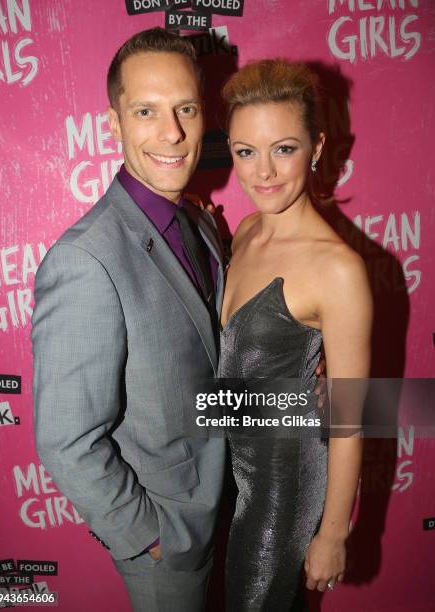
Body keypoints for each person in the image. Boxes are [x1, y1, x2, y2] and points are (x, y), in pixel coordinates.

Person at [31, 28, 226, 612]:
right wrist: (150, 538)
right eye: (146, 111)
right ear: (113, 125)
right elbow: (66, 439)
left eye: (186, 108)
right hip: (170, 540)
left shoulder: (203, 224)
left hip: (230, 507)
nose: (172, 133)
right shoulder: (86, 258)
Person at [219, 59, 372, 610]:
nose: (263, 172)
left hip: (280, 491)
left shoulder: (337, 269)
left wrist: (333, 534)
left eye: (283, 148)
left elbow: (351, 415)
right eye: (245, 151)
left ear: (317, 147)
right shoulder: (243, 232)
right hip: (229, 476)